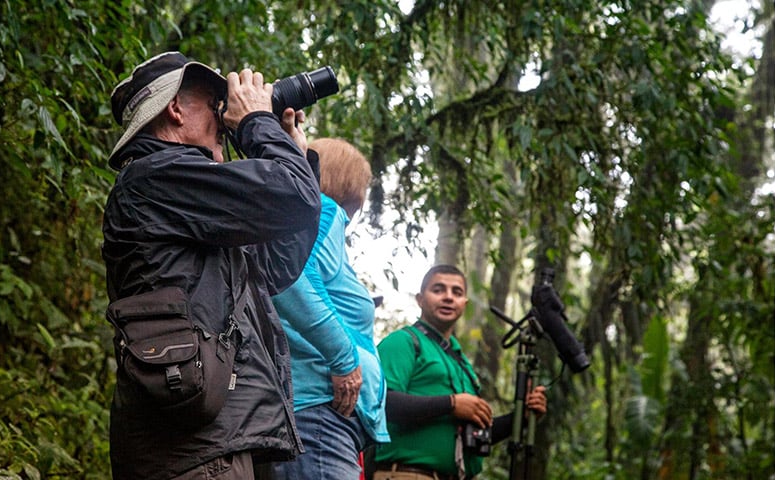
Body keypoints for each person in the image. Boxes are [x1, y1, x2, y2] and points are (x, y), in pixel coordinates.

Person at [102, 51, 321, 479]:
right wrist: (258, 124)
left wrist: (294, 154)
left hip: (218, 443)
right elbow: (292, 198)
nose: (226, 117)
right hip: (193, 454)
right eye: (215, 104)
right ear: (176, 108)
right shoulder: (155, 177)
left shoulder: (185, 195)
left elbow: (275, 265)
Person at [270, 138, 389, 479]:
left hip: (319, 418)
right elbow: (290, 277)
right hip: (319, 415)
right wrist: (344, 359)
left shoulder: (311, 219)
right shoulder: (322, 211)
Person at [372, 264, 547, 480]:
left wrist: (521, 417)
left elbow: (476, 434)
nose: (448, 297)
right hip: (407, 474)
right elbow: (382, 404)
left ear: (465, 303)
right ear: (420, 299)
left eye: (457, 292)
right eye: (438, 290)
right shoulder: (404, 342)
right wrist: (451, 404)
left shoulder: (460, 361)